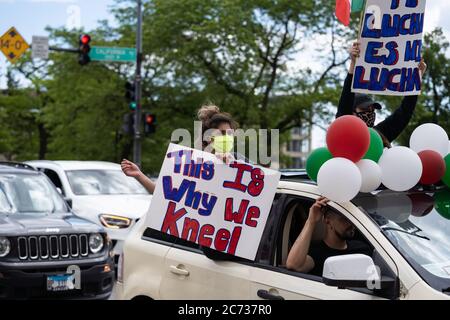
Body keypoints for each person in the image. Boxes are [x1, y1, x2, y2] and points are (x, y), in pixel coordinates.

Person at [337, 41, 428, 147]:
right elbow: (345, 100)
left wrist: (416, 80)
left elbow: (404, 113)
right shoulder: (343, 131)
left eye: (372, 110)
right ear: (352, 113)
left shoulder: (380, 135)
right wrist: (353, 64)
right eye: (364, 109)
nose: (369, 113)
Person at [286, 197, 372, 277]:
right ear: (327, 221)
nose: (351, 224)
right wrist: (311, 221)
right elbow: (293, 265)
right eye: (344, 219)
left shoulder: (362, 249)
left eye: (351, 219)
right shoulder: (316, 253)